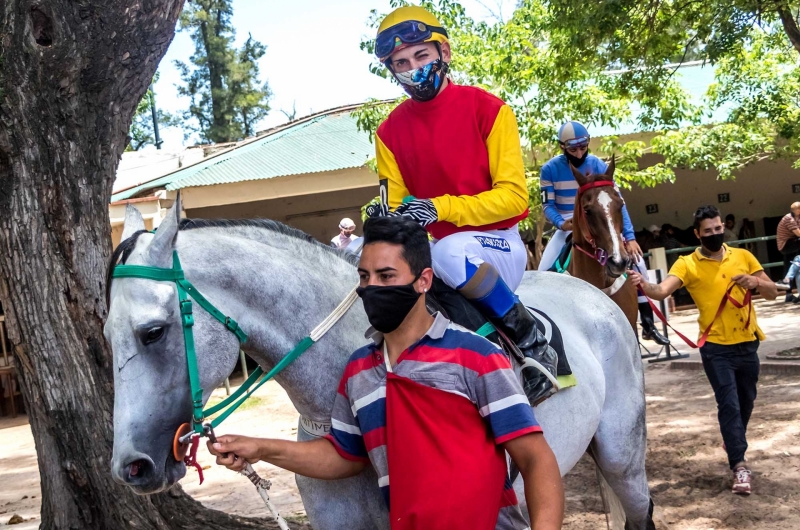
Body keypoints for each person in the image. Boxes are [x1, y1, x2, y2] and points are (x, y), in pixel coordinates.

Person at [207, 217, 565, 529]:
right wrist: (259, 448)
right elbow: (344, 455)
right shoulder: (360, 370)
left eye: (386, 275)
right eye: (364, 276)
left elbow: (535, 458)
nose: (371, 287)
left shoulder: (477, 355)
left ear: (424, 280)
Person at [369, 5, 557, 403]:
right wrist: (386, 221)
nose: (412, 67)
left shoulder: (490, 109)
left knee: (451, 252)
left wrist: (441, 209)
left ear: (445, 53)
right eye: (400, 62)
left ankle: (533, 342)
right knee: (362, 255)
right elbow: (401, 204)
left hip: (496, 245)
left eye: (421, 55)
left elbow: (513, 198)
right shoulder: (388, 132)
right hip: (435, 250)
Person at [628, 205, 778, 495]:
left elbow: (772, 291)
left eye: (718, 229)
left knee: (746, 401)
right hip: (715, 348)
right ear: (697, 234)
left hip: (748, 342)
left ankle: (732, 438)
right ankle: (739, 466)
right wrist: (643, 284)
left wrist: (756, 282)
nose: (714, 234)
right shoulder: (687, 263)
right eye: (708, 231)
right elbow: (661, 291)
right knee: (730, 405)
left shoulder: (744, 256)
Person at [538, 121, 668, 345]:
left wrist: (630, 237)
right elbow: (547, 206)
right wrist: (561, 223)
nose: (579, 153)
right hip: (569, 226)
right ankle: (544, 330)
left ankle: (648, 323)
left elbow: (618, 204)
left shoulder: (598, 164)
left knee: (639, 264)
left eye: (583, 147)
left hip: (600, 222)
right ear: (562, 147)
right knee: (542, 272)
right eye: (573, 149)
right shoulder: (549, 169)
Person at [776, 202, 800, 278]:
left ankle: (787, 285)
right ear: (796, 210)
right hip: (786, 244)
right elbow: (799, 233)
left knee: (789, 265)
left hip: (792, 242)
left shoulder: (797, 218)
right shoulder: (789, 218)